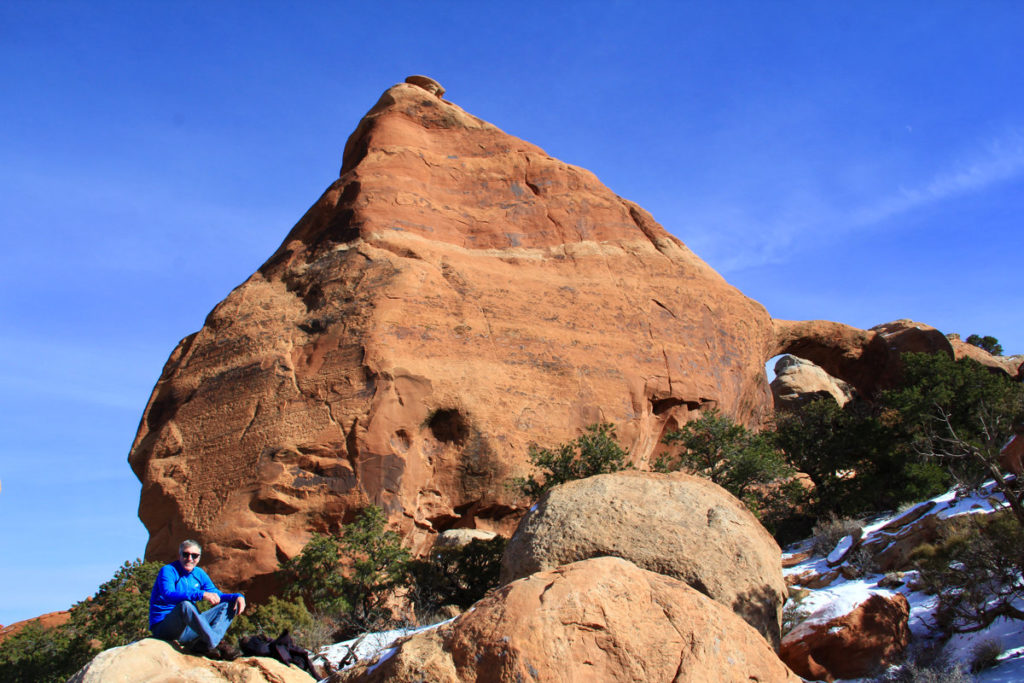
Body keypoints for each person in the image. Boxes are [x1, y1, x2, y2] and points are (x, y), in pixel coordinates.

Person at [149, 539, 246, 659]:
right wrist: (200, 594)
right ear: (179, 555)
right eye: (186, 554)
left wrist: (237, 596)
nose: (190, 559)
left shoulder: (199, 574)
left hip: (187, 630)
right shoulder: (169, 570)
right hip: (164, 628)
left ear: (199, 558)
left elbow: (217, 595)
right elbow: (168, 595)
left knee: (230, 604)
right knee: (185, 605)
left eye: (194, 556)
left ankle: (205, 644)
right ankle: (215, 643)